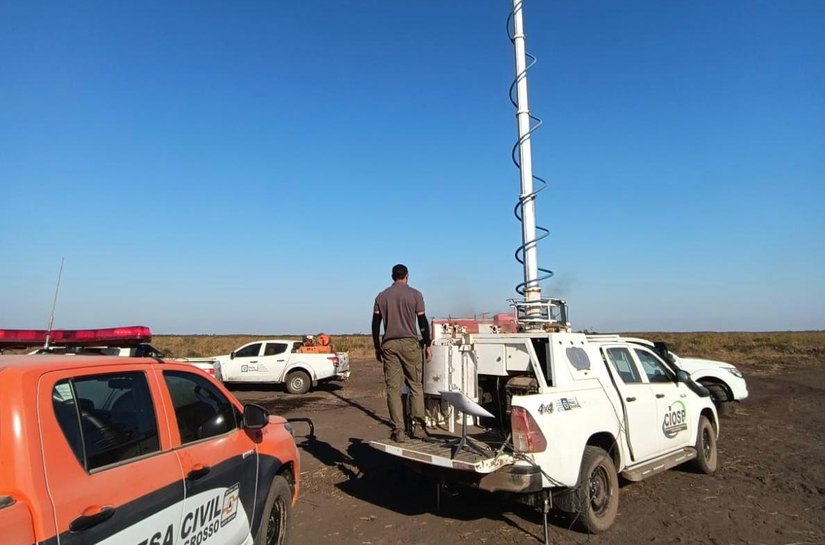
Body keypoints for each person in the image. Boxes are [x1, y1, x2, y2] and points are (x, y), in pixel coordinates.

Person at [372, 263, 432, 443]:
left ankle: (398, 430)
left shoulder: (381, 296)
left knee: (393, 389)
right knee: (415, 385)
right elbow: (422, 322)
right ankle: (419, 427)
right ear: (407, 276)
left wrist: (377, 346)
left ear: (392, 277)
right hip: (410, 344)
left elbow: (375, 324)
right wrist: (427, 344)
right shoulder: (415, 294)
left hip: (389, 345)